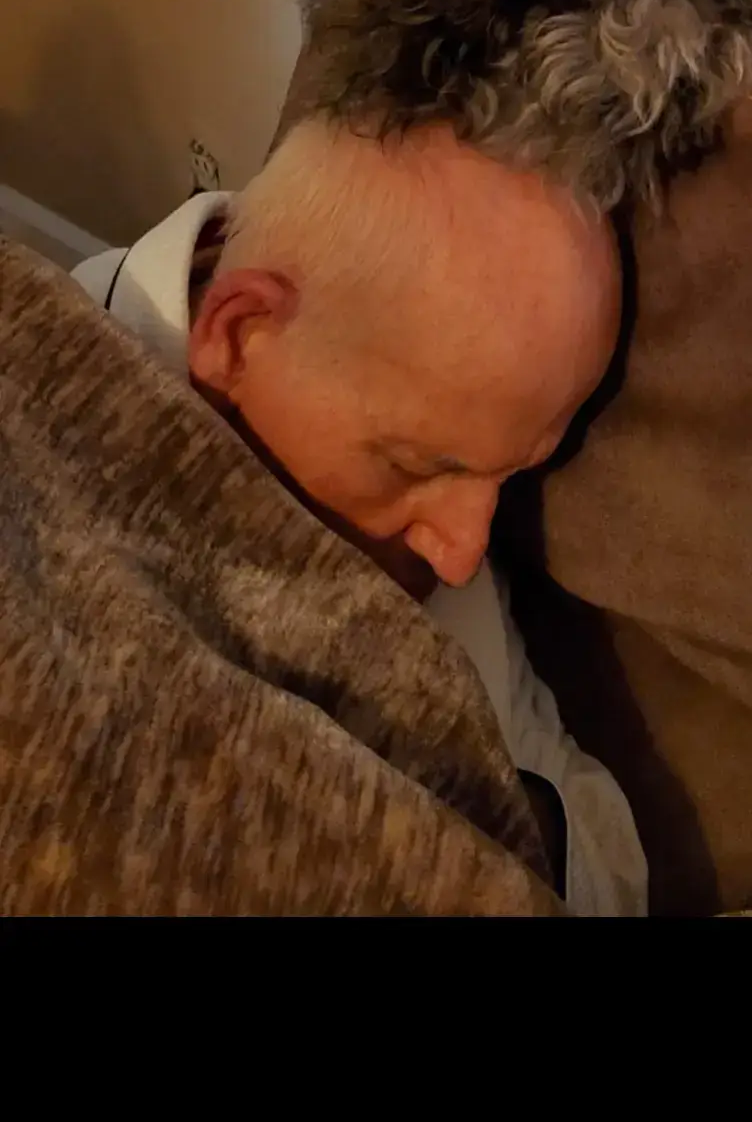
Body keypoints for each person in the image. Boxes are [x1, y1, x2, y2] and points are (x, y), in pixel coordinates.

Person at [71, 113, 647, 917]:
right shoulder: (43, 389)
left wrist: (462, 813)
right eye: (418, 463)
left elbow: (604, 853)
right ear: (240, 332)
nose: (459, 556)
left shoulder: (438, 540)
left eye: (510, 477)